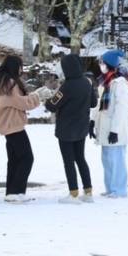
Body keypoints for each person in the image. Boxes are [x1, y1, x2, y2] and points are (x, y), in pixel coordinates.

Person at [0, 54, 53, 203]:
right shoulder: (9, 83)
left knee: (14, 159)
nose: (21, 70)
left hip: (8, 124)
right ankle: (16, 192)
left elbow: (18, 100)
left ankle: (12, 192)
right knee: (26, 158)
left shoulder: (2, 81)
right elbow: (22, 103)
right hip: (12, 125)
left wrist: (35, 94)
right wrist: (38, 96)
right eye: (20, 67)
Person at [46, 53, 97, 203]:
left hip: (66, 130)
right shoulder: (87, 82)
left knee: (69, 161)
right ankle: (88, 192)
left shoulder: (66, 86)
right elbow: (93, 103)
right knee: (81, 158)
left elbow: (52, 105)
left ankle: (73, 193)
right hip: (82, 127)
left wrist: (48, 97)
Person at [94, 50, 128, 198]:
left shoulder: (120, 82)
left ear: (109, 64)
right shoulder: (104, 81)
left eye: (102, 62)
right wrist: (93, 121)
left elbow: (121, 108)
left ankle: (120, 189)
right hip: (105, 126)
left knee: (117, 160)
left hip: (116, 128)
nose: (100, 65)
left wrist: (115, 130)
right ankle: (110, 188)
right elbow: (99, 104)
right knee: (107, 160)